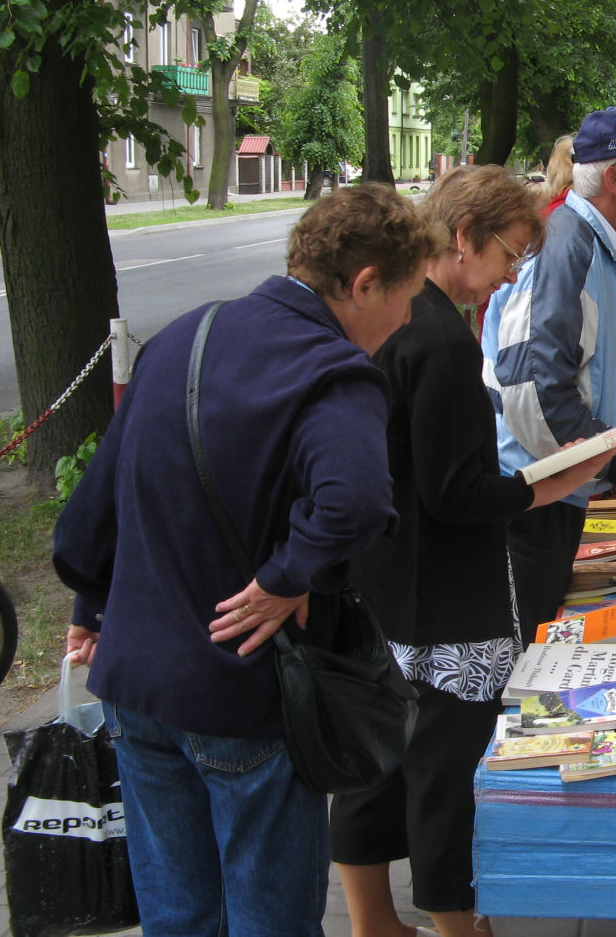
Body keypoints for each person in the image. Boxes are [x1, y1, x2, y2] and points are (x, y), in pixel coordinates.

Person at [52, 182, 436, 937]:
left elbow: (93, 511)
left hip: (137, 682)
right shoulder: (335, 371)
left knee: (179, 916)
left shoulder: (184, 336)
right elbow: (355, 501)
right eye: (410, 295)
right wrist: (284, 577)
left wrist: (92, 608)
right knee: (271, 920)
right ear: (365, 285)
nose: (410, 316)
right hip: (242, 691)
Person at [331, 166, 615, 937]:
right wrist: (549, 483)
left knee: (372, 762)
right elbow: (457, 493)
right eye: (509, 255)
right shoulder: (442, 339)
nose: (509, 276)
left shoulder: (386, 324)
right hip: (446, 599)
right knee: (446, 773)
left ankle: (372, 922)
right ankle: (460, 924)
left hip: (379, 580)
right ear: (463, 238)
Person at [481, 106, 616, 643]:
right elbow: (536, 389)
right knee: (529, 646)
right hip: (536, 496)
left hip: (565, 485)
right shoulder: (567, 245)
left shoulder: (604, 245)